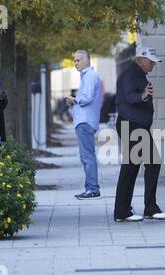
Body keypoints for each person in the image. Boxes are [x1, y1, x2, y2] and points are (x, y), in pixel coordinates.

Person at [113, 46, 165, 222]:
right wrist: (144, 95)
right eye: (151, 61)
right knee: (150, 163)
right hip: (132, 124)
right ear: (142, 60)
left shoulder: (136, 74)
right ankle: (147, 208)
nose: (153, 65)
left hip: (134, 124)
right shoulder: (131, 75)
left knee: (133, 166)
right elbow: (130, 96)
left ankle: (123, 210)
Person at [65, 50, 102, 200]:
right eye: (74, 60)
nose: (75, 63)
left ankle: (92, 189)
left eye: (78, 60)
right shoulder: (87, 77)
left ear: (87, 60)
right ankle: (91, 188)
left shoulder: (90, 76)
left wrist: (73, 99)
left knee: (87, 156)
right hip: (84, 121)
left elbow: (86, 98)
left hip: (85, 122)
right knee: (85, 156)